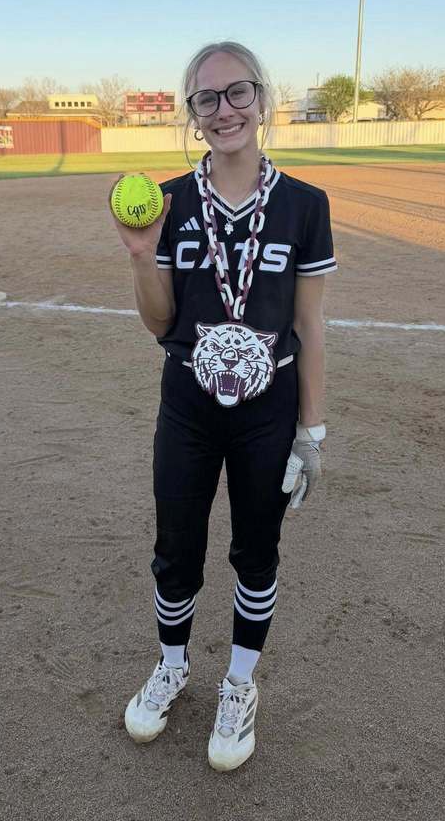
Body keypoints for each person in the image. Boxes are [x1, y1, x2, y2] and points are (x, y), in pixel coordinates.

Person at [109, 41, 337, 771]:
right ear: (194, 114)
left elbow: (309, 325)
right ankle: (173, 664)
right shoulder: (168, 202)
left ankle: (239, 682)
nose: (224, 109)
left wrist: (311, 433)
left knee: (256, 549)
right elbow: (158, 322)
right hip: (188, 404)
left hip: (267, 409)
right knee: (176, 547)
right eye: (207, 99)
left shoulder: (304, 205)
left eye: (238, 92)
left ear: (262, 98)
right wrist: (142, 256)